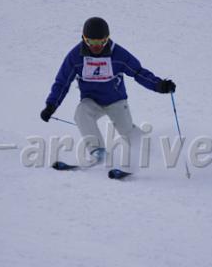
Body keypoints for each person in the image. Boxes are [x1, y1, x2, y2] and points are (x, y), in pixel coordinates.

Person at [40, 17, 175, 164]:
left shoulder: (118, 54)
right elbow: (62, 82)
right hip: (91, 101)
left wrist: (159, 85)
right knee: (81, 114)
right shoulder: (76, 57)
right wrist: (51, 105)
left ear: (107, 39)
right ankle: (98, 152)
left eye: (101, 42)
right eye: (91, 42)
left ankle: (151, 150)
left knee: (126, 130)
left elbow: (138, 72)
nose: (96, 46)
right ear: (84, 38)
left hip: (116, 101)